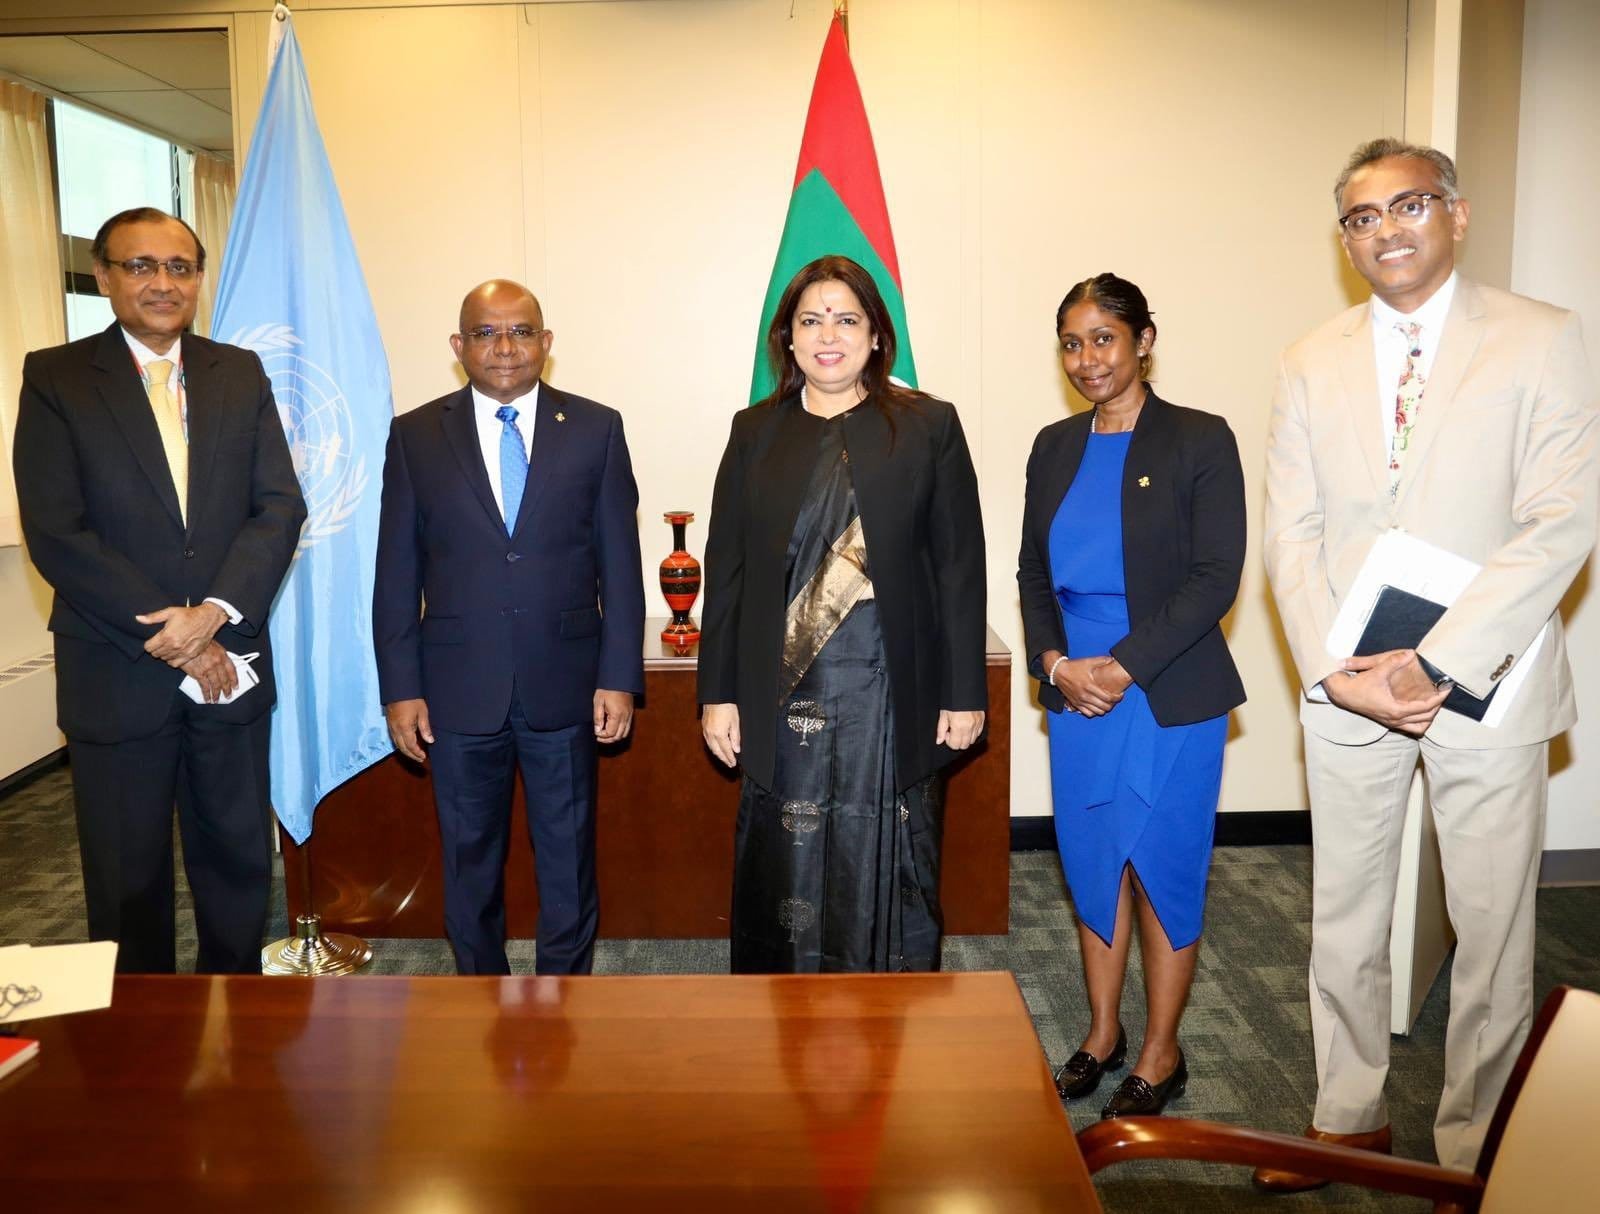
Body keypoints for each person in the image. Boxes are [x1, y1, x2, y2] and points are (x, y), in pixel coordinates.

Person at [1260, 138, 1598, 1184]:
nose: (1386, 230)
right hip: (1349, 686)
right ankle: (1346, 1115)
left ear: (1455, 213)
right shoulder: (1308, 357)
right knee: (1344, 912)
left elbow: (1560, 519)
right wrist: (1333, 668)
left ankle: (1477, 1152)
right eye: (1362, 217)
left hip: (1490, 681)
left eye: (1408, 205)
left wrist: (1438, 663)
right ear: (1345, 240)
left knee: (1492, 930)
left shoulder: (1543, 336)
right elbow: (1291, 533)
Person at [13, 206, 307, 974]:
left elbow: (278, 506)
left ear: (199, 279)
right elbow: (58, 531)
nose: (162, 283)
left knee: (237, 861)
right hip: (118, 668)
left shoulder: (237, 372)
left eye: (179, 267)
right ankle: (139, 1031)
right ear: (104, 276)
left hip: (229, 661)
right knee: (126, 877)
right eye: (140, 265)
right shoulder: (56, 377)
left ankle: (236, 1008)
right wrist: (174, 635)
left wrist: (211, 616)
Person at [698, 254, 987, 974]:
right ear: (788, 338)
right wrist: (717, 694)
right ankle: (782, 1018)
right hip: (778, 695)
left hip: (892, 698)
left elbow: (959, 569)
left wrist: (964, 694)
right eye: (811, 320)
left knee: (888, 863)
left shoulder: (929, 426)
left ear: (876, 335)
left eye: (847, 319)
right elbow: (727, 573)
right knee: (783, 870)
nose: (828, 336)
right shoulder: (754, 432)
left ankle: (889, 1019)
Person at [1018, 273, 1246, 1117]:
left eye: (1104, 339)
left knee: (1160, 865)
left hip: (1165, 688)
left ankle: (1161, 1050)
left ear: (1144, 340)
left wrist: (1119, 666)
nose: (1088, 359)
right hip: (1077, 693)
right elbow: (1032, 571)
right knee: (1092, 860)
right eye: (1072, 344)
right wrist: (1054, 663)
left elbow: (1215, 575)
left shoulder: (1199, 438)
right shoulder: (1053, 445)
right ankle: (1102, 1033)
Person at [372, 279, 644, 976]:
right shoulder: (414, 436)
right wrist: (400, 688)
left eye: (520, 331)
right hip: (457, 691)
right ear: (458, 345)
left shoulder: (596, 428)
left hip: (568, 687)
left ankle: (565, 999)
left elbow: (621, 565)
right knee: (468, 864)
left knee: (569, 860)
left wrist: (619, 677)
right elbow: (396, 572)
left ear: (545, 343)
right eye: (485, 332)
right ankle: (479, 995)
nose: (504, 347)